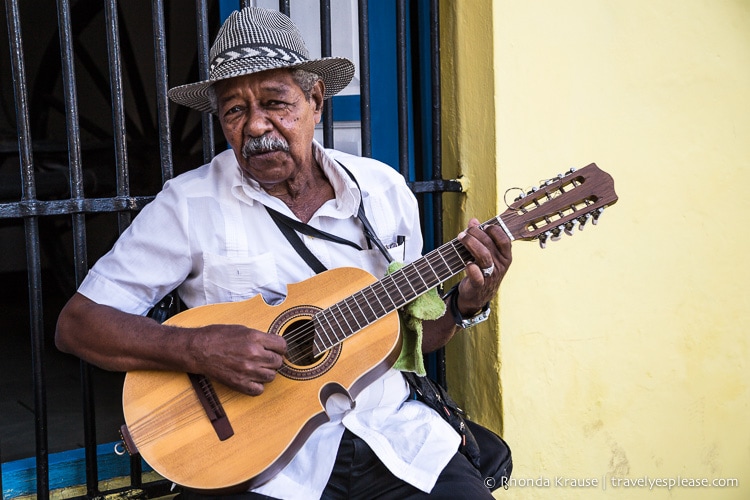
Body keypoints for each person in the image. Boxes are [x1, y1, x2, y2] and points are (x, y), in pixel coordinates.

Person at [55, 7, 512, 500]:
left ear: (316, 100)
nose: (255, 126)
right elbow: (77, 325)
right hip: (263, 466)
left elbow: (407, 344)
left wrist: (468, 306)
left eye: (276, 102)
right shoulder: (188, 204)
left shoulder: (383, 191)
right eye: (234, 110)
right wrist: (198, 348)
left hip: (394, 438)